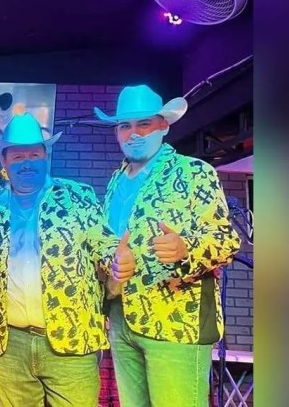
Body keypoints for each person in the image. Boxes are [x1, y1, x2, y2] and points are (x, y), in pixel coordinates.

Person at [0, 113, 134, 406]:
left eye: (34, 155)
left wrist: (118, 260)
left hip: (71, 342)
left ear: (45, 157)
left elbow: (103, 244)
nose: (27, 163)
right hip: (10, 345)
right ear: (4, 161)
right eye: (18, 156)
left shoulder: (77, 198)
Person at [95, 84, 241, 406]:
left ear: (163, 126)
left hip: (176, 322)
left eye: (144, 124)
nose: (134, 133)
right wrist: (111, 264)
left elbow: (226, 240)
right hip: (121, 319)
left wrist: (185, 249)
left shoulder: (193, 172)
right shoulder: (116, 182)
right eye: (125, 125)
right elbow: (109, 243)